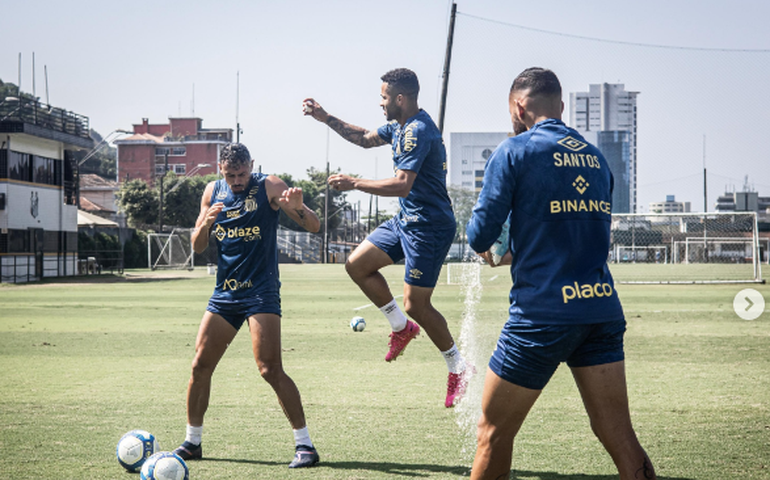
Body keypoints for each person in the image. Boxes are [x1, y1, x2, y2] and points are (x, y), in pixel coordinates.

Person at [466, 68, 656, 479]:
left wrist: (496, 250)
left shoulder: (515, 151)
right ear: (562, 106)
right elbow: (576, 232)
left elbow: (479, 234)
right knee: (619, 434)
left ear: (519, 107)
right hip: (600, 310)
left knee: (492, 433)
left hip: (542, 315)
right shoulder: (596, 157)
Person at [303, 68, 472, 408]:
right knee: (357, 265)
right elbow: (365, 138)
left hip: (429, 227)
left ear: (400, 98)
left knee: (417, 305)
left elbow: (402, 184)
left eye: (383, 97)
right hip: (406, 220)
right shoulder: (398, 127)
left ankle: (459, 367)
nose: (380, 103)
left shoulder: (418, 131)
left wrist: (355, 183)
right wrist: (326, 118)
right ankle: (400, 327)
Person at [173, 143, 321, 468]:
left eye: (242, 174)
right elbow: (197, 246)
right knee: (199, 366)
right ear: (220, 170)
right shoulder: (212, 191)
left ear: (251, 166)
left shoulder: (270, 186)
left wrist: (298, 209)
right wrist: (206, 224)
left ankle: (306, 446)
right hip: (225, 293)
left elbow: (314, 225)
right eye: (231, 175)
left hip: (260, 292)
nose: (237, 181)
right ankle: (192, 442)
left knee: (269, 368)